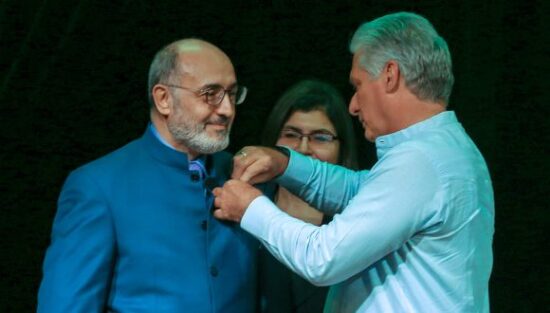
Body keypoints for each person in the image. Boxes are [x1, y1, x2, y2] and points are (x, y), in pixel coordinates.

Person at [212, 12, 495, 313]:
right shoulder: (447, 148)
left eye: (358, 86)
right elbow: (360, 189)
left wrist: (249, 208)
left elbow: (323, 258)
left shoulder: (420, 161)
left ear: (390, 75)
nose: (353, 105)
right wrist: (285, 163)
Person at [37, 38, 257, 313]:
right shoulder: (98, 186)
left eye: (232, 94)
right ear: (164, 99)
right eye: (210, 94)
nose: (227, 109)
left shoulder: (243, 174)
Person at [258, 79, 359, 313]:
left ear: (342, 149)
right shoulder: (247, 209)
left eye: (320, 137)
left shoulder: (357, 222)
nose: (303, 148)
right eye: (291, 134)